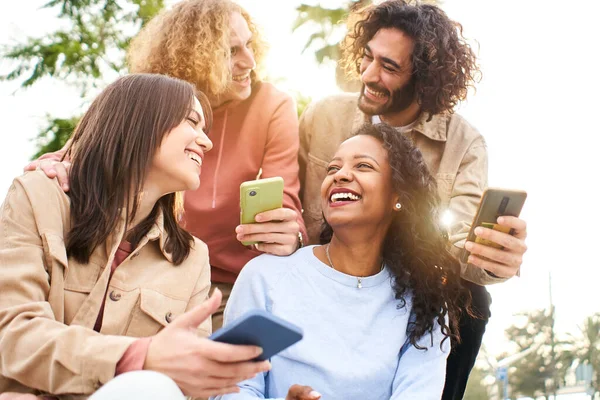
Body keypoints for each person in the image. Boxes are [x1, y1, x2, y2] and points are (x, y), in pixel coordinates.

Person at [25, 0, 307, 331]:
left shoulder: (273, 105)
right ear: (195, 58)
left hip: (232, 285)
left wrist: (291, 235)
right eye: (232, 52)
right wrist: (58, 165)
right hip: (153, 274)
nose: (250, 61)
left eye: (249, 44)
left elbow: (286, 200)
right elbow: (83, 152)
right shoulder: (148, 96)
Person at [297, 2, 528, 399]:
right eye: (368, 57)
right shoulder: (322, 117)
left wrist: (496, 260)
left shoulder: (464, 145)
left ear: (424, 79)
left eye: (388, 67)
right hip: (327, 276)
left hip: (406, 288)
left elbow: (461, 243)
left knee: (471, 297)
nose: (368, 75)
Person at [0, 74, 270, 399]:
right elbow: (11, 334)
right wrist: (137, 358)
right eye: (191, 121)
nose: (206, 142)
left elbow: (190, 389)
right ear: (140, 121)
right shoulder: (39, 196)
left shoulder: (192, 257)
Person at [213, 123, 467, 400]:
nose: (341, 175)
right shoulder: (265, 275)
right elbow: (234, 388)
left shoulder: (424, 301)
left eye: (363, 167)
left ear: (398, 197)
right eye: (333, 169)